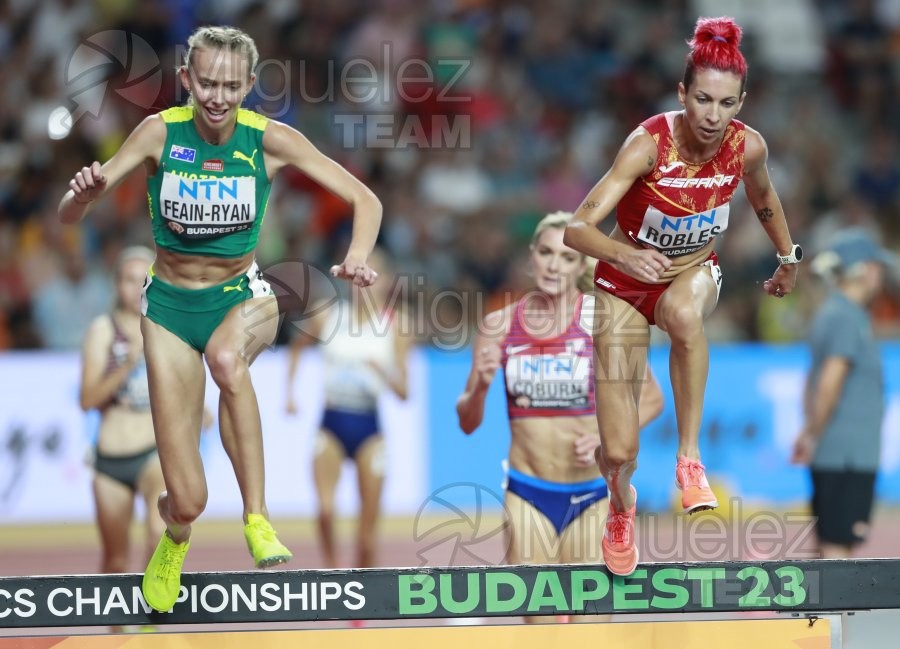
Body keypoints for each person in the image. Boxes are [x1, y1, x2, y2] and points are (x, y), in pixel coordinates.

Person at [58, 26, 382, 613]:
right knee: (185, 498)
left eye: (231, 85)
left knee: (228, 360)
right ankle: (175, 535)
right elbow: (69, 216)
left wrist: (357, 255)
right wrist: (82, 194)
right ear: (185, 79)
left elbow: (367, 199)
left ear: (250, 85)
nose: (217, 96)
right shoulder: (159, 132)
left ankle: (257, 517)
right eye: (205, 82)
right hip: (168, 311)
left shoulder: (271, 139)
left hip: (241, 295)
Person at [563, 16, 801, 576]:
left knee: (681, 313)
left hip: (692, 273)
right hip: (622, 283)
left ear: (741, 103)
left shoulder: (748, 149)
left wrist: (789, 257)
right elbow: (577, 229)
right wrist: (624, 255)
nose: (713, 116)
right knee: (618, 451)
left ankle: (689, 460)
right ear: (681, 94)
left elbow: (765, 198)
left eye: (726, 103)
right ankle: (621, 507)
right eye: (701, 100)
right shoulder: (647, 146)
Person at [457, 211, 663, 622]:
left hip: (588, 494)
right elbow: (467, 421)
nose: (554, 265)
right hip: (527, 492)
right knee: (537, 623)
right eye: (546, 253)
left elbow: (653, 399)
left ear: (583, 264)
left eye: (567, 257)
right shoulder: (499, 324)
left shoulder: (601, 319)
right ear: (531, 256)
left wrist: (609, 441)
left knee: (590, 624)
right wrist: (479, 387)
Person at [285, 249, 411, 572]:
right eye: (358, 277)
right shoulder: (327, 315)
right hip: (331, 423)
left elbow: (404, 392)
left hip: (370, 428)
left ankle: (363, 601)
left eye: (371, 278)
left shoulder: (395, 325)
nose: (363, 285)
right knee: (325, 510)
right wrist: (290, 393)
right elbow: (296, 348)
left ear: (385, 284)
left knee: (367, 535)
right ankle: (332, 569)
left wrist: (381, 372)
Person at [792, 229, 894, 559]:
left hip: (845, 453)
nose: (879, 274)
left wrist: (811, 431)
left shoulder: (839, 313)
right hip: (845, 456)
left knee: (834, 545)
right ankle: (824, 614)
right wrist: (812, 433)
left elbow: (815, 380)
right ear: (863, 269)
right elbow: (828, 383)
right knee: (836, 549)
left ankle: (816, 612)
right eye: (875, 266)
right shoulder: (845, 317)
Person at [79, 246, 164, 583]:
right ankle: (117, 633)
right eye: (130, 280)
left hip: (153, 451)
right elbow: (87, 399)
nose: (137, 287)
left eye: (145, 280)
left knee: (159, 536)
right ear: (117, 285)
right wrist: (129, 362)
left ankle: (150, 621)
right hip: (111, 458)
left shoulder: (164, 326)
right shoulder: (104, 330)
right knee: (115, 561)